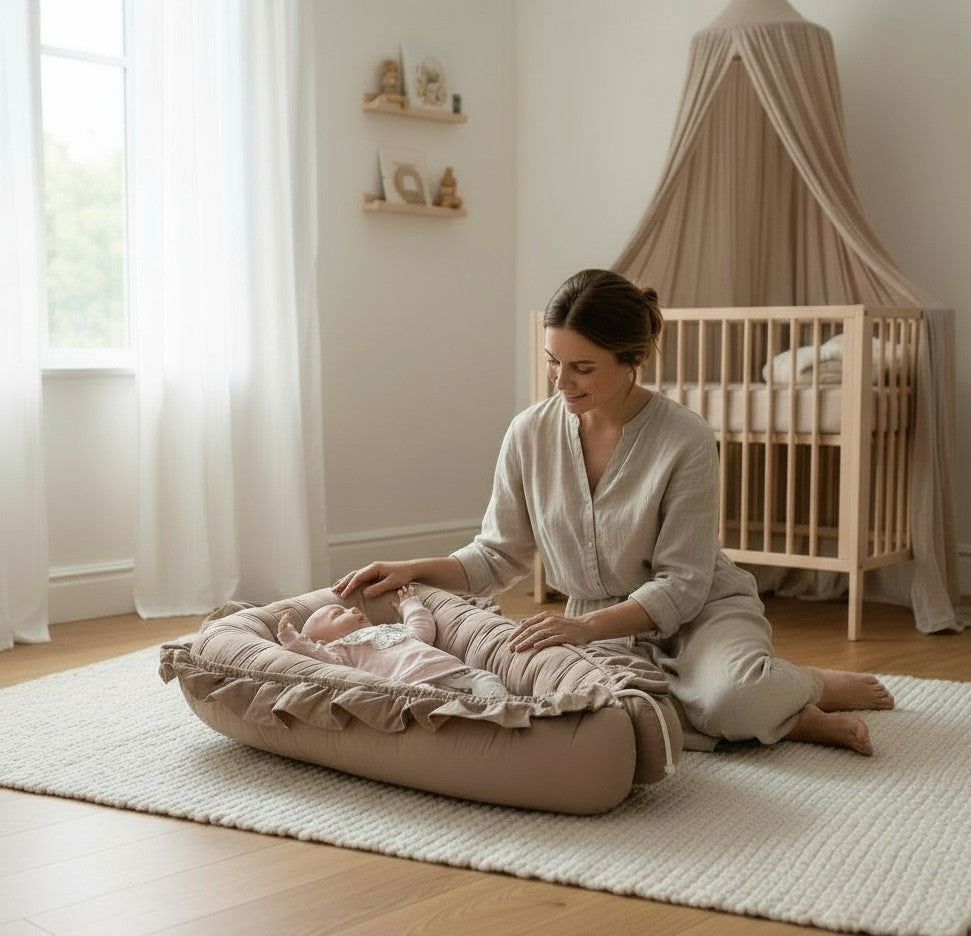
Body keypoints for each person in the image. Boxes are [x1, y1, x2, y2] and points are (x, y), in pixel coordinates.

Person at [335, 269, 894, 755]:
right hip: (598, 629)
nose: (560, 382)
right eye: (553, 361)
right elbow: (497, 555)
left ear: (634, 359)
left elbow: (682, 585)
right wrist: (415, 569)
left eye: (582, 367)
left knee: (731, 703)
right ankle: (762, 701)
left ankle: (803, 688)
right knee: (605, 718)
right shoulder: (529, 433)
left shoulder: (686, 438)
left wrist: (581, 627)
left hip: (699, 610)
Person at [278, 586, 509, 698]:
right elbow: (319, 658)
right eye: (339, 613)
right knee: (426, 700)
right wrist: (292, 639)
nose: (352, 608)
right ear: (322, 639)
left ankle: (503, 708)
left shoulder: (390, 628)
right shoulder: (339, 650)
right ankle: (469, 720)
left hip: (453, 670)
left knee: (488, 679)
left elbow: (422, 631)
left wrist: (410, 605)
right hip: (411, 683)